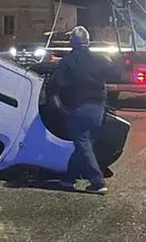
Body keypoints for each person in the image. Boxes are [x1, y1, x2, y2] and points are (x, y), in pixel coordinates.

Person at [51, 25, 120, 195]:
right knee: (83, 145)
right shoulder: (98, 58)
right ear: (87, 42)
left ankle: (97, 183)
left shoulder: (68, 61)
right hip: (98, 109)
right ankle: (69, 179)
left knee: (82, 143)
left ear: (71, 42)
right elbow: (116, 72)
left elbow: (55, 83)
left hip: (79, 107)